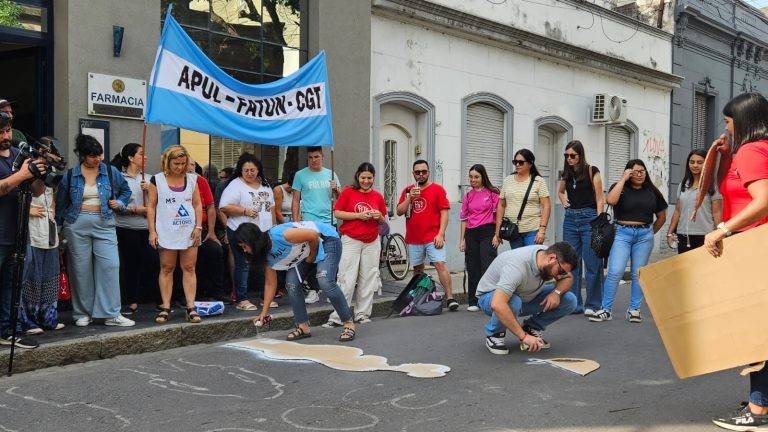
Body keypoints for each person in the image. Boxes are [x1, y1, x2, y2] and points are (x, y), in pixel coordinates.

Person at [703, 93, 768, 431]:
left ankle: (758, 411)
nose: (726, 129)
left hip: (755, 250)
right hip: (758, 248)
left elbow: (762, 201)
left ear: (742, 121)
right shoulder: (756, 151)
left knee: (756, 335)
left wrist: (721, 230)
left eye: (728, 122)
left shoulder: (753, 150)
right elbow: (737, 191)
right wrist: (727, 161)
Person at [55, 134, 135, 328]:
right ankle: (82, 313)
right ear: (82, 155)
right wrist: (59, 230)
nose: (98, 159)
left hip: (105, 222)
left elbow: (126, 191)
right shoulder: (70, 174)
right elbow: (61, 205)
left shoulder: (110, 171)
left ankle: (111, 313)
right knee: (80, 270)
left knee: (110, 266)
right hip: (76, 224)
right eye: (93, 156)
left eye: (100, 154)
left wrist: (121, 203)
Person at [235, 221, 357, 342]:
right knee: (291, 284)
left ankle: (348, 323)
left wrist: (312, 256)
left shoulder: (280, 234)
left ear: (253, 240)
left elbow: (313, 235)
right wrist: (264, 312)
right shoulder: (265, 256)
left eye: (245, 246)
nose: (244, 251)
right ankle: (303, 326)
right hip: (306, 251)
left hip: (326, 239)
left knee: (324, 280)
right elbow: (270, 283)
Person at [589, 159, 667, 324]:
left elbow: (661, 217)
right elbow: (610, 200)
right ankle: (606, 309)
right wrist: (623, 179)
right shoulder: (620, 188)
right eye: (634, 171)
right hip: (621, 234)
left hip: (644, 235)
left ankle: (634, 309)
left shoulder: (652, 191)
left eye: (642, 171)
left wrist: (649, 233)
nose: (638, 174)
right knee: (615, 271)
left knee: (637, 274)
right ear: (628, 172)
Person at [476, 242, 578, 355]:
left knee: (569, 300)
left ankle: (531, 327)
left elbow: (568, 277)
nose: (560, 276)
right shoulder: (517, 267)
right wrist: (524, 337)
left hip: (525, 296)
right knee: (513, 301)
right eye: (561, 271)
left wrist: (556, 293)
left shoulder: (548, 254)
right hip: (490, 298)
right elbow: (497, 303)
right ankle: (495, 334)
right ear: (551, 258)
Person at [0, 112, 46, 348]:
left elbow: (36, 191)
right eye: (1, 132)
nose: (6, 136)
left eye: (8, 130)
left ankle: (9, 330)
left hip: (17, 232)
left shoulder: (19, 155)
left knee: (13, 284)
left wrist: (40, 176)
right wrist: (21, 175)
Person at [323, 162, 387, 327]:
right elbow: (337, 212)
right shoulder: (347, 193)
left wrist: (378, 215)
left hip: (372, 240)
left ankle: (362, 314)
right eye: (363, 177)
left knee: (369, 277)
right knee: (346, 278)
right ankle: (338, 316)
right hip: (351, 239)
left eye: (369, 178)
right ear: (357, 176)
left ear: (373, 178)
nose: (366, 181)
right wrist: (359, 216)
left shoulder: (378, 196)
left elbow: (382, 221)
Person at [147, 145, 203, 324]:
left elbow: (197, 205)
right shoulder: (157, 180)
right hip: (166, 230)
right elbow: (151, 206)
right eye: (176, 163)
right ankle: (165, 307)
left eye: (182, 163)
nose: (179, 167)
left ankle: (191, 306)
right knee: (167, 268)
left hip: (189, 231)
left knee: (189, 268)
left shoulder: (193, 179)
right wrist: (152, 231)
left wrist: (198, 227)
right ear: (167, 162)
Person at [396, 159, 457, 310]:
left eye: (424, 172)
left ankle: (450, 298)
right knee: (417, 269)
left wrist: (441, 234)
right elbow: (399, 211)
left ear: (428, 172)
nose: (421, 175)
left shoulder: (437, 189)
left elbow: (444, 213)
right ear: (413, 174)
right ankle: (418, 298)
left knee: (439, 264)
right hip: (414, 237)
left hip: (433, 236)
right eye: (418, 172)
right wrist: (410, 198)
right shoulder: (408, 190)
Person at [220, 153, 275, 310]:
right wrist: (244, 211)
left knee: (266, 263)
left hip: (263, 231)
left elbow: (271, 207)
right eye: (246, 170)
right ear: (240, 170)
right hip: (241, 231)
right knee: (243, 264)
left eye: (252, 170)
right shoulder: (235, 185)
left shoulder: (265, 184)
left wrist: (273, 226)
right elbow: (224, 206)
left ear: (258, 170)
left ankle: (266, 297)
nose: (249, 173)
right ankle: (242, 299)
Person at [558, 140, 605, 317]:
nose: (569, 159)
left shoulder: (592, 171)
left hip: (590, 219)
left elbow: (600, 198)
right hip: (570, 219)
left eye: (572, 156)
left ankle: (593, 304)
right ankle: (574, 303)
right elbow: (560, 192)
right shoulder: (567, 174)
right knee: (570, 262)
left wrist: (599, 222)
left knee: (593, 262)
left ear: (580, 155)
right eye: (566, 156)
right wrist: (563, 200)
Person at [110, 143, 159, 314]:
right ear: (130, 158)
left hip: (147, 228)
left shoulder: (150, 178)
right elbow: (115, 204)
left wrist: (151, 191)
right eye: (140, 154)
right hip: (125, 228)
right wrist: (137, 210)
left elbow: (159, 204)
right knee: (131, 266)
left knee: (155, 263)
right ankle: (131, 301)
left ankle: (159, 300)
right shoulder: (119, 177)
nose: (145, 157)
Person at [291, 146, 340, 304]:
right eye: (310, 157)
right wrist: (295, 220)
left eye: (316, 157)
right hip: (310, 222)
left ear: (322, 156)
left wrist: (336, 189)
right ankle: (313, 289)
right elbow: (295, 199)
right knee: (311, 256)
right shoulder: (300, 175)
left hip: (329, 221)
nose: (313, 160)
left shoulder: (330, 174)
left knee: (331, 256)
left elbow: (340, 197)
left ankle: (331, 288)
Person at [20, 183, 65, 335]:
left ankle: (48, 318)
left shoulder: (50, 177)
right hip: (31, 233)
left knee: (50, 277)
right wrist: (27, 210)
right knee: (32, 279)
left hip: (49, 232)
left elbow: (52, 200)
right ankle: (28, 321)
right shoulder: (25, 174)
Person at [459, 164, 499, 312]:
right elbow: (464, 218)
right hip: (471, 233)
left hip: (488, 231)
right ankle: (473, 301)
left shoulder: (493, 193)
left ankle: (489, 299)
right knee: (472, 267)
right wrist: (462, 239)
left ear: (483, 177)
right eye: (471, 177)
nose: (473, 180)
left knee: (487, 266)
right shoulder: (468, 195)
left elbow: (498, 216)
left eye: (476, 177)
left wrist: (497, 235)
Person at [666, 149, 722, 253]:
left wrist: (719, 234)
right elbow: (677, 211)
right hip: (683, 235)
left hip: (706, 236)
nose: (695, 165)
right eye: (692, 162)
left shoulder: (712, 186)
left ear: (707, 164)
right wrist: (670, 233)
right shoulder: (683, 185)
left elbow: (717, 212)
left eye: (699, 162)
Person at [494, 149, 551, 249]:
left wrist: (542, 230)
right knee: (518, 262)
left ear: (530, 163)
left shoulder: (538, 181)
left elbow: (546, 206)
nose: (517, 165)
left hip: (532, 230)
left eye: (521, 162)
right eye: (515, 162)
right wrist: (498, 230)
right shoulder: (508, 180)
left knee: (532, 260)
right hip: (513, 231)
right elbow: (501, 205)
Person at [187, 157, 226, 303]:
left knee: (215, 250)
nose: (189, 167)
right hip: (179, 229)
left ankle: (216, 292)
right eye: (185, 164)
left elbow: (210, 206)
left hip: (201, 229)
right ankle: (183, 295)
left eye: (191, 164)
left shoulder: (201, 181)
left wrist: (211, 231)